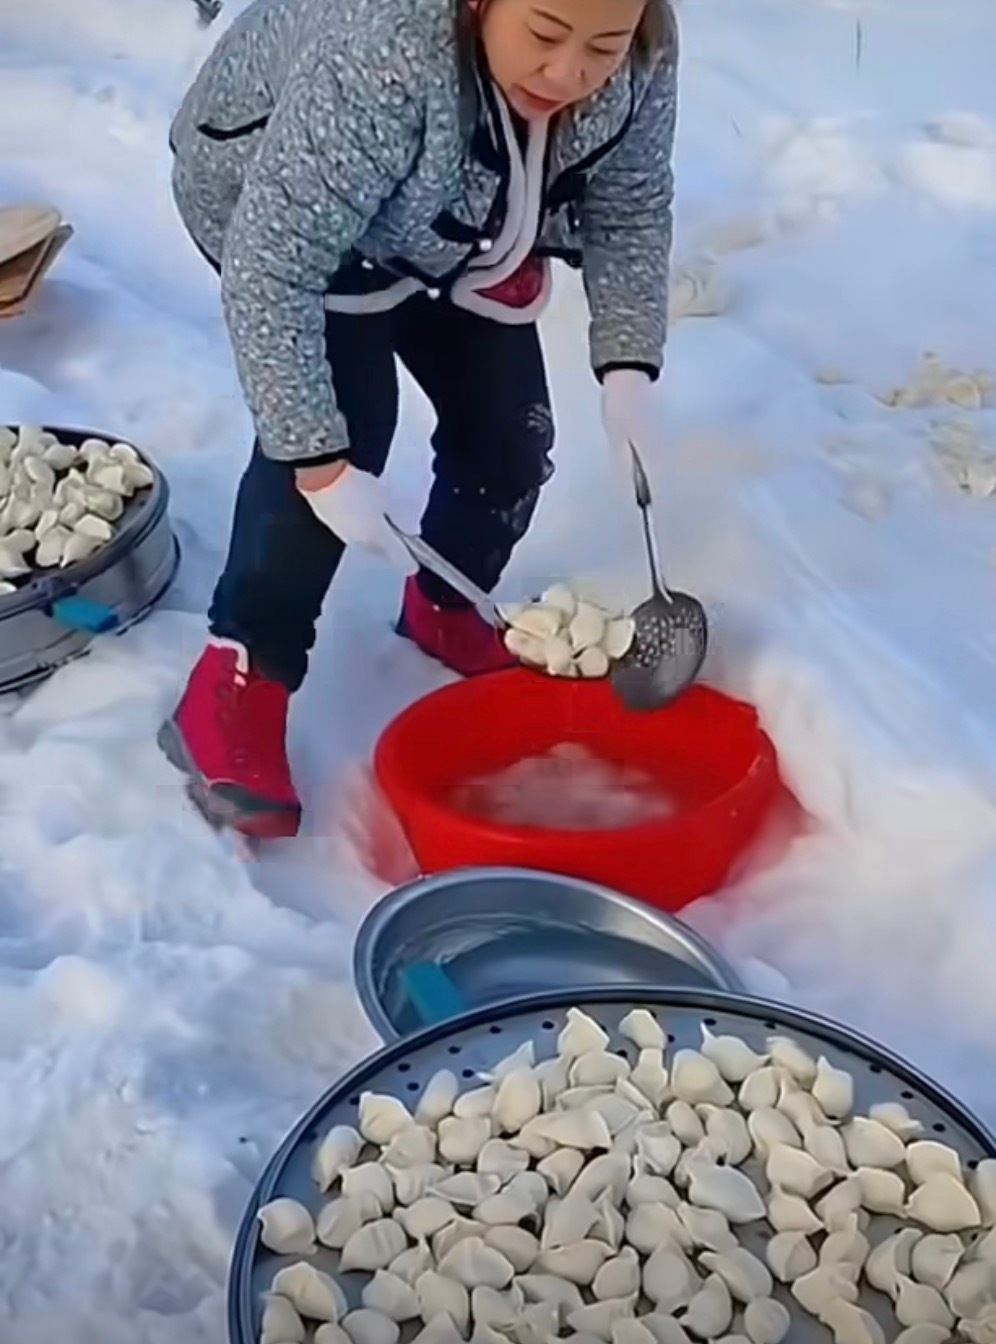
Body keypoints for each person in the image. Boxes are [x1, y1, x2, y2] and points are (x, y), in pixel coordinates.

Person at [160, 0, 678, 840]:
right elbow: (271, 265)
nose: (570, 72)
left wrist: (628, 366)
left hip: (452, 209)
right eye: (545, 35)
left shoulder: (643, 54)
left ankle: (448, 597)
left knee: (511, 431)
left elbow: (631, 206)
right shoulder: (386, 50)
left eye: (602, 46)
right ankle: (238, 679)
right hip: (281, 209)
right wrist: (319, 464)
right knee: (346, 426)